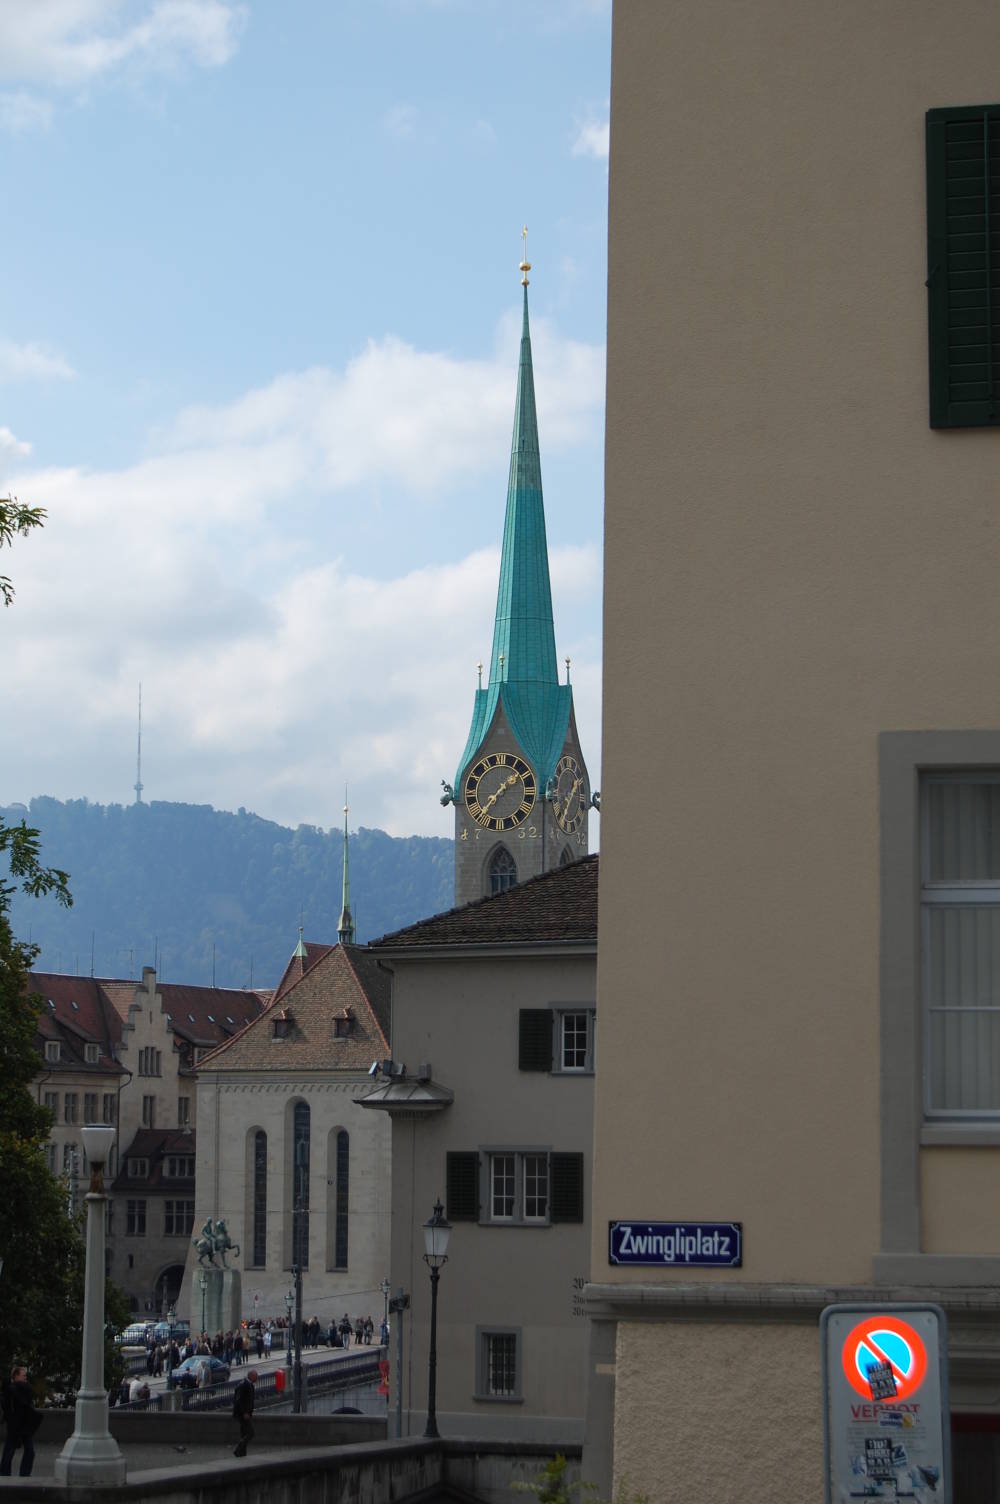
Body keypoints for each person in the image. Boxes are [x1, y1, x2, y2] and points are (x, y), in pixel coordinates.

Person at [0, 1366, 40, 1477]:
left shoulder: (23, 1390)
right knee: (12, 1450)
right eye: (23, 1375)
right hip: (16, 1425)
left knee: (25, 1451)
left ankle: (12, 1474)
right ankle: (10, 1474)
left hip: (22, 1424)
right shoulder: (11, 1391)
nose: (25, 1377)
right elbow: (8, 1408)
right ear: (16, 1376)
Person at [232, 1368, 257, 1458]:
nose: (257, 1378)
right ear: (251, 1376)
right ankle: (238, 1449)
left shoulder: (247, 1384)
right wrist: (245, 1412)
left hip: (244, 1413)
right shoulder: (244, 1385)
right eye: (256, 1376)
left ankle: (242, 1453)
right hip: (242, 1414)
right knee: (251, 1433)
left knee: (244, 1433)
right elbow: (239, 1400)